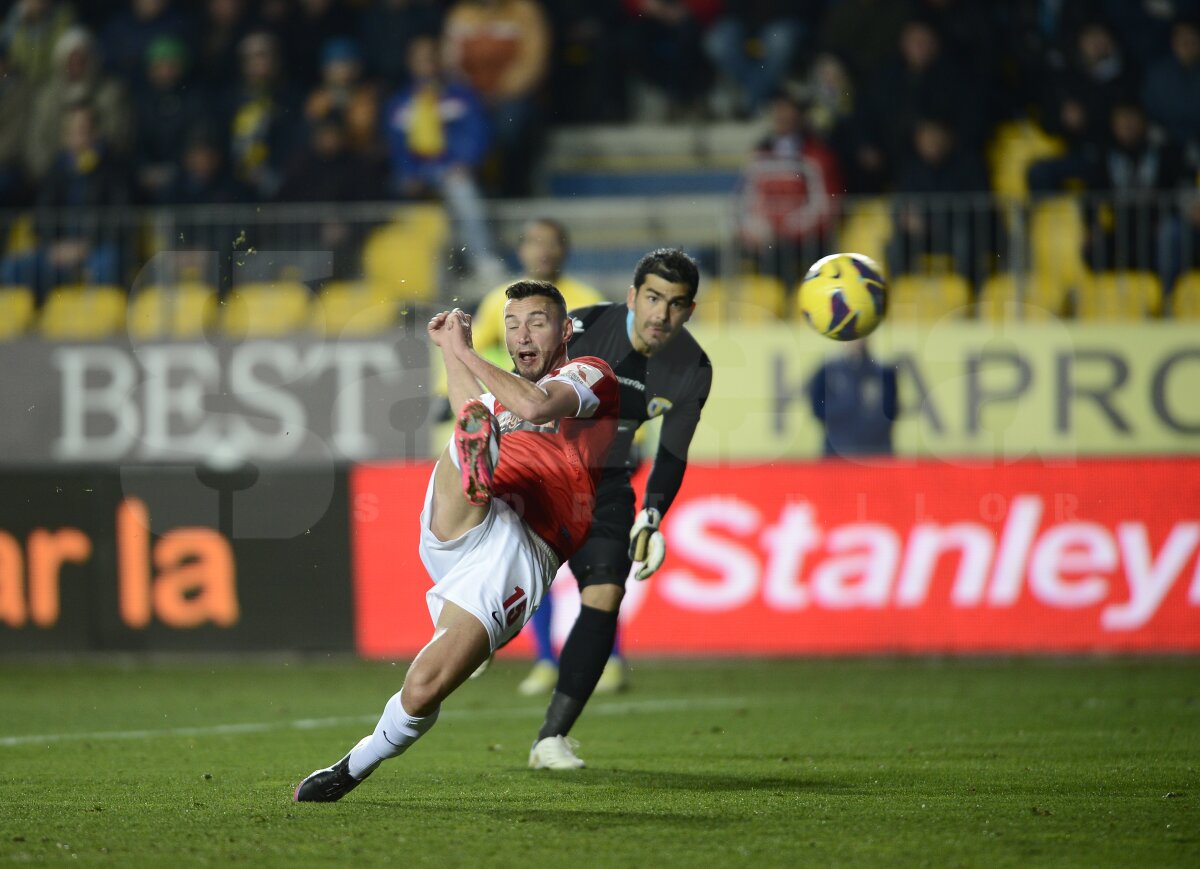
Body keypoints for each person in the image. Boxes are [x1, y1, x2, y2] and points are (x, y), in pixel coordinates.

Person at [293, 280, 619, 802]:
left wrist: (465, 351)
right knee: (472, 420)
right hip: (472, 514)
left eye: (537, 323)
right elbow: (476, 405)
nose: (522, 335)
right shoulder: (499, 396)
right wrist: (450, 348)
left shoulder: (589, 375)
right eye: (512, 324)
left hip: (524, 542)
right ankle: (473, 476)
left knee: (423, 687)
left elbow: (537, 407)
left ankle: (353, 766)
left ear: (565, 330)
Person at [528, 248, 711, 771]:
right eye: (653, 298)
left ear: (689, 310)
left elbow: (673, 452)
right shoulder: (581, 331)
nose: (661, 314)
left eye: (675, 304)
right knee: (504, 596)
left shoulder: (693, 368)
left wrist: (652, 516)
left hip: (604, 480)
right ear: (632, 297)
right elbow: (525, 392)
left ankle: (551, 739)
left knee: (607, 591)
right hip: (537, 466)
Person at [469, 218, 611, 696]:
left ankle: (609, 658)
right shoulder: (499, 301)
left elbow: (604, 373)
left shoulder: (587, 298)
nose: (543, 251)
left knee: (597, 563)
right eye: (534, 242)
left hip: (580, 448)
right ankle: (545, 660)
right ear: (522, 249)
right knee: (527, 551)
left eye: (551, 243)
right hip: (522, 442)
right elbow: (478, 356)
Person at [807, 338, 898, 458]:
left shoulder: (884, 374)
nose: (855, 340)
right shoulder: (827, 372)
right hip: (838, 454)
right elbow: (818, 409)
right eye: (850, 335)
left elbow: (890, 413)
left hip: (876, 454)